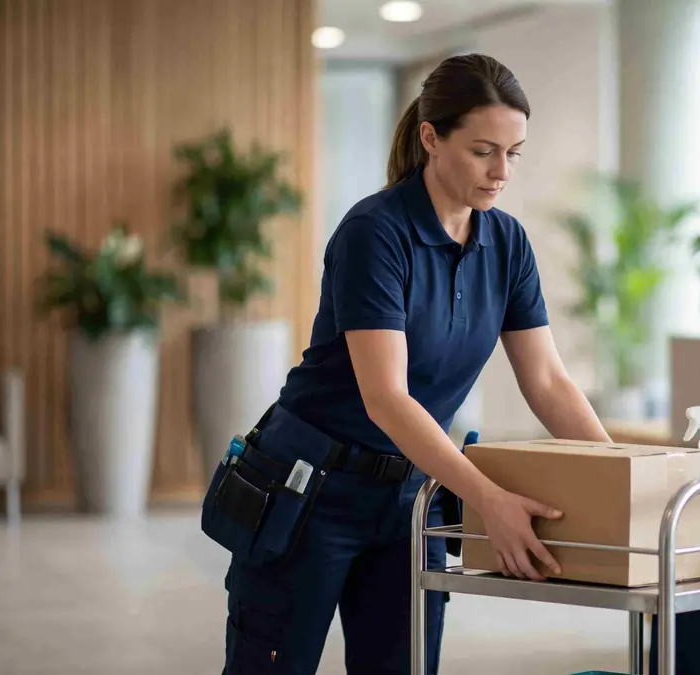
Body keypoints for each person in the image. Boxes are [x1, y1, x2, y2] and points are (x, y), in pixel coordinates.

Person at [220, 53, 612, 674]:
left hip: (411, 494)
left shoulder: (506, 242)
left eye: (515, 152)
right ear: (431, 137)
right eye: (484, 150)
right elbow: (387, 398)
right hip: (313, 490)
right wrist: (489, 500)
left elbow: (546, 380)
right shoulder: (375, 233)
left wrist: (615, 478)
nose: (501, 171)